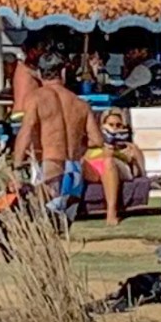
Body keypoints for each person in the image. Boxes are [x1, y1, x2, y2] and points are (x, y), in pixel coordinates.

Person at [12, 52, 103, 220]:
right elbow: (97, 141)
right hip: (75, 169)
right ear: (63, 73)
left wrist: (17, 167)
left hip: (50, 165)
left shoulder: (36, 98)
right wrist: (78, 144)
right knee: (65, 227)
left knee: (42, 223)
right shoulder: (80, 103)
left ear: (39, 73)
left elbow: (26, 131)